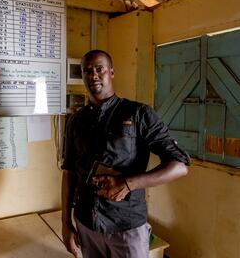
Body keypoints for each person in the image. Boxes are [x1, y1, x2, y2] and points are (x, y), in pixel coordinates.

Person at [61, 50, 189, 258]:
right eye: (87, 71)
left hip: (126, 226)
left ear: (111, 72)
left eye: (99, 69)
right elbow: (69, 173)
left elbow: (179, 166)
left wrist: (128, 183)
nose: (93, 75)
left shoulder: (139, 114)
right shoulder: (76, 121)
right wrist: (66, 222)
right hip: (86, 224)